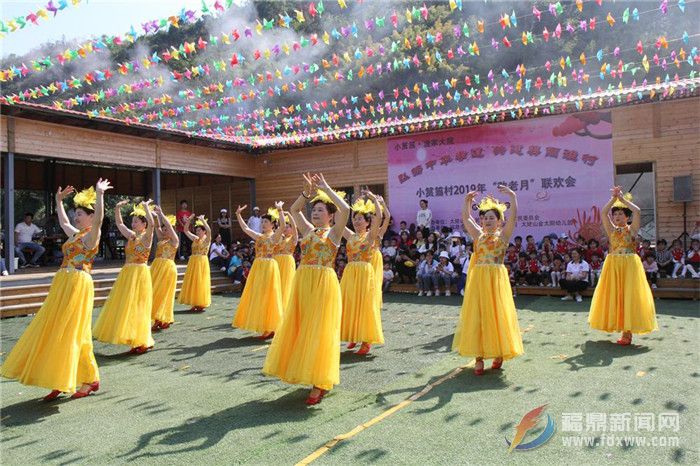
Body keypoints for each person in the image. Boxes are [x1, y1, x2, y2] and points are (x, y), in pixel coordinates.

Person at [1, 180, 111, 400]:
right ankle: (60, 377)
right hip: (63, 283)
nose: (76, 217)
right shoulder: (75, 235)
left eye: (80, 213)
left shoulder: (92, 235)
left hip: (78, 284)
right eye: (76, 213)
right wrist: (59, 202)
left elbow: (99, 220)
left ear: (90, 216)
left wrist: (99, 195)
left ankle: (89, 379)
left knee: (73, 333)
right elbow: (62, 221)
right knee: (56, 331)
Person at [263, 173, 349, 405]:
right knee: (301, 326)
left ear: (331, 216)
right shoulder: (308, 230)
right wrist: (307, 193)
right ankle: (305, 371)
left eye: (321, 210)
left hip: (324, 284)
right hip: (303, 281)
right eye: (316, 209)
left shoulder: (334, 233)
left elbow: (346, 211)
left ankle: (320, 381)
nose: (316, 212)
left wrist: (326, 189)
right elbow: (294, 210)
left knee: (319, 330)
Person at [452, 187, 524, 375]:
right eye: (485, 218)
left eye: (492, 218)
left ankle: (498, 353)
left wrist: (513, 197)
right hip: (479, 282)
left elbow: (514, 217)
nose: (488, 221)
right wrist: (467, 201)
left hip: (497, 282)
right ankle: (478, 357)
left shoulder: (504, 236)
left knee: (497, 315)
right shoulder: (478, 236)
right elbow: (467, 219)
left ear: (499, 221)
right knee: (479, 316)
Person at [588, 188, 657, 345]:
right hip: (613, 265)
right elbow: (603, 213)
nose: (617, 216)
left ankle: (627, 332)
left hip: (629, 266)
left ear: (627, 217)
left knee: (628, 296)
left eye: (621, 214)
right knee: (615, 296)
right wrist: (614, 198)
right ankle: (617, 325)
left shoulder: (631, 230)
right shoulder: (611, 229)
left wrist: (623, 200)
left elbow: (637, 211)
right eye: (615, 214)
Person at [93, 200, 155, 354]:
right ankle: (133, 337)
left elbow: (153, 225)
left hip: (140, 274)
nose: (132, 224)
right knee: (127, 306)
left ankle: (142, 340)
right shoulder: (132, 236)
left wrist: (146, 208)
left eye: (136, 221)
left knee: (139, 306)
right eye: (132, 221)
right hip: (127, 273)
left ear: (144, 224)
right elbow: (120, 224)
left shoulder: (147, 236)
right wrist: (117, 208)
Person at [232, 203, 285, 339]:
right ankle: (266, 326)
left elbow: (283, 226)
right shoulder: (259, 237)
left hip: (269, 267)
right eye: (262, 221)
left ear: (273, 225)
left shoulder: (274, 237)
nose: (263, 223)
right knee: (260, 295)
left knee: (268, 296)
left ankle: (269, 327)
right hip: (258, 267)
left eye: (266, 222)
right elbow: (245, 228)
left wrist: (280, 210)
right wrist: (238, 214)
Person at [340, 192, 383, 355]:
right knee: (350, 304)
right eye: (355, 218)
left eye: (360, 219)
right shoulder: (350, 235)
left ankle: (366, 341)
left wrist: (373, 200)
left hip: (365, 274)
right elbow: (339, 220)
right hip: (350, 273)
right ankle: (354, 335)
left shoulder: (370, 236)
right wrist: (344, 205)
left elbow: (378, 217)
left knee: (365, 306)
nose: (356, 221)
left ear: (367, 222)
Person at [150, 207, 179, 331]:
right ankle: (156, 317)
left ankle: (161, 318)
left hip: (167, 268)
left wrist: (162, 214)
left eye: (168, 229)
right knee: (153, 291)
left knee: (163, 293)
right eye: (164, 228)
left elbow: (169, 227)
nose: (165, 230)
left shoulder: (174, 241)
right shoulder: (162, 239)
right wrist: (155, 216)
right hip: (156, 267)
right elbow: (157, 227)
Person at [178, 215, 212, 312]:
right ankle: (195, 302)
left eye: (199, 230)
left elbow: (209, 231)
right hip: (193, 262)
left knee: (201, 282)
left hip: (201, 262)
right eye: (196, 231)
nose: (197, 232)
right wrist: (188, 221)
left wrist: (203, 221)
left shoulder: (207, 239)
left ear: (204, 231)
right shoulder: (195, 239)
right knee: (194, 282)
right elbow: (185, 230)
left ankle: (201, 303)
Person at [271, 207, 299, 309]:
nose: (286, 228)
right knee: (276, 284)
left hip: (287, 262)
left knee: (286, 284)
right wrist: (280, 215)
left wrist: (289, 215)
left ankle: (285, 308)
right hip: (276, 261)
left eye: (288, 227)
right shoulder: (279, 237)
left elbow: (295, 229)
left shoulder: (293, 239)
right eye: (285, 227)